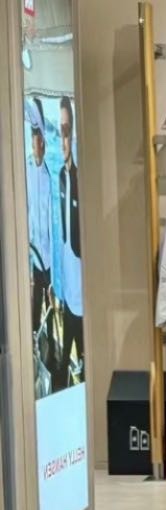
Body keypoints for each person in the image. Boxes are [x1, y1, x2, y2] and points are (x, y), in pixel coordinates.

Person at [58, 95, 83, 387]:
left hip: (83, 297)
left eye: (67, 131)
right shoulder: (61, 178)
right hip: (67, 291)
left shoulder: (80, 180)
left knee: (87, 370)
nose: (63, 139)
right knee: (63, 363)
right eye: (60, 131)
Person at [25, 97, 52, 337]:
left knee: (51, 308)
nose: (37, 143)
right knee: (35, 312)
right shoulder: (26, 171)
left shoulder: (49, 174)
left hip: (50, 258)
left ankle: (50, 340)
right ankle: (35, 339)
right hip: (35, 256)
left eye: (39, 137)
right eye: (34, 137)